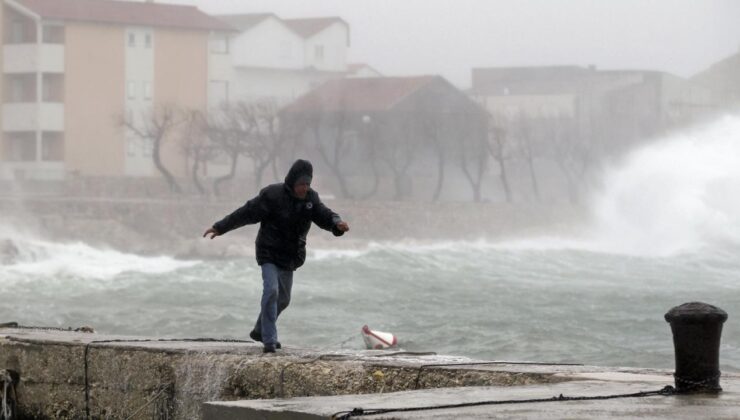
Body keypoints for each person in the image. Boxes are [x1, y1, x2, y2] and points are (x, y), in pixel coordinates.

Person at [203, 159, 349, 353]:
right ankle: (269, 340)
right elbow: (246, 212)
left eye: (307, 184)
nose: (304, 189)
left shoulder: (310, 199)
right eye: (301, 185)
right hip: (269, 252)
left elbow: (324, 214)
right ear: (291, 182)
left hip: (290, 256)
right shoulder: (273, 195)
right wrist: (221, 227)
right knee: (271, 290)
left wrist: (336, 223)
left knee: (284, 299)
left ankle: (259, 329)